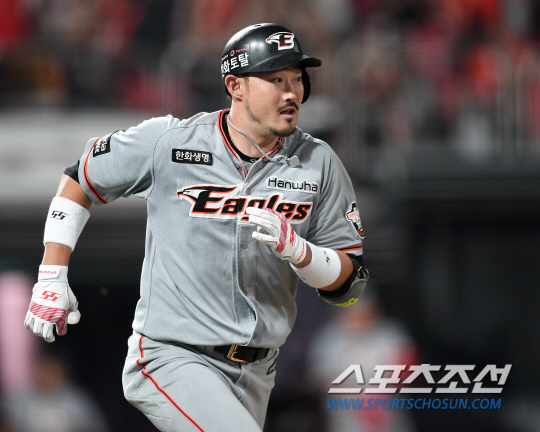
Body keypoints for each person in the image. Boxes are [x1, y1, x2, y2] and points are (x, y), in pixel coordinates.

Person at [23, 23, 368, 432]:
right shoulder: (171, 141)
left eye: (296, 78)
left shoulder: (318, 161)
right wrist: (51, 274)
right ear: (235, 86)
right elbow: (80, 177)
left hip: (258, 370)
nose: (291, 92)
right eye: (276, 79)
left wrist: (302, 253)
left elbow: (350, 285)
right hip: (174, 356)